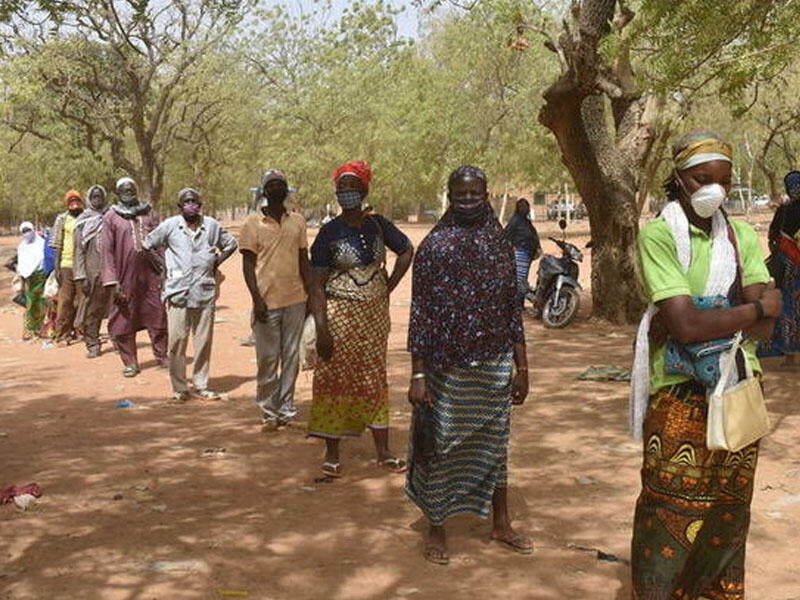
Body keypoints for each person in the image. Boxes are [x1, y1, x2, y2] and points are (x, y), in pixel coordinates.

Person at [630, 130, 782, 599]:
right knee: (670, 509)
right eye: (702, 178)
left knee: (728, 509)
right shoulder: (659, 235)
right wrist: (753, 310)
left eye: (723, 180)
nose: (713, 189)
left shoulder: (738, 235)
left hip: (737, 387)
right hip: (679, 394)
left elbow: (764, 331)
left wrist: (714, 313)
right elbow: (685, 326)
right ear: (678, 179)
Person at [405, 165, 531, 565]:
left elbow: (513, 310)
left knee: (496, 447)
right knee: (441, 447)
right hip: (446, 367)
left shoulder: (500, 244)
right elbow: (420, 314)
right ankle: (437, 527)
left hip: (493, 363)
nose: (468, 201)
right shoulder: (434, 247)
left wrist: (522, 366)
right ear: (449, 196)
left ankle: (501, 521)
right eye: (460, 195)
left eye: (475, 193)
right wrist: (419, 374)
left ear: (487, 193)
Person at [308, 160, 414, 477]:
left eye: (353, 188)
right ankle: (332, 452)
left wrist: (389, 286)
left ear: (364, 190)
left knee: (373, 376)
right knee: (333, 376)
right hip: (339, 313)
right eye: (342, 188)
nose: (347, 193)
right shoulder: (329, 232)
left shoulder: (378, 225)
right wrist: (322, 329)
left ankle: (383, 450)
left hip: (374, 318)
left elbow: (407, 251)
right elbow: (316, 285)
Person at [143, 188, 237, 401]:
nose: (191, 205)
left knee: (203, 340)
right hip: (178, 292)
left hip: (204, 291)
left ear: (200, 206)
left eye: (194, 202)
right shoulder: (170, 226)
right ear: (179, 207)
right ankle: (179, 388)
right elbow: (147, 244)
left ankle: (201, 384)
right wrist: (162, 267)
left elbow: (231, 244)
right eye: (186, 202)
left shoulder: (211, 226)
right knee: (177, 341)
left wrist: (216, 262)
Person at [239, 169, 309, 428]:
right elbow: (248, 265)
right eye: (272, 185)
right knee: (268, 358)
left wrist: (311, 296)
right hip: (266, 302)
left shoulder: (298, 221)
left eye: (281, 185)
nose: (277, 189)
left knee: (291, 357)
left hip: (295, 299)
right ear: (264, 192)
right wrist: (256, 299)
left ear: (286, 190)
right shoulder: (252, 223)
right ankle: (269, 410)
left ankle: (287, 408)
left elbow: (304, 260)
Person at [101, 177, 168, 377]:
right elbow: (107, 252)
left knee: (157, 314)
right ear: (118, 193)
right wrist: (113, 282)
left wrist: (165, 269)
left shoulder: (148, 213)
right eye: (123, 190)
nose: (128, 192)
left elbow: (161, 242)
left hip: (150, 275)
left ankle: (163, 356)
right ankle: (130, 362)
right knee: (123, 319)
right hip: (124, 277)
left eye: (131, 189)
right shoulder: (111, 217)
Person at [757, 170, 800, 368]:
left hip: (788, 263)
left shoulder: (784, 210)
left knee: (789, 304)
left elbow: (772, 235)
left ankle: (790, 357)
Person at [74, 185, 111, 358]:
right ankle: (93, 344)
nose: (97, 199)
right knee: (93, 310)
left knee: (117, 308)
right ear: (89, 198)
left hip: (112, 270)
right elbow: (78, 251)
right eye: (94, 196)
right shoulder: (82, 221)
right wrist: (81, 276)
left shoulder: (113, 216)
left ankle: (119, 340)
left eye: (100, 196)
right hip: (92, 271)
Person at [50, 189, 85, 344]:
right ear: (67, 204)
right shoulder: (62, 219)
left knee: (83, 300)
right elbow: (57, 244)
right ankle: (62, 333)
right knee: (65, 301)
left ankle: (82, 331)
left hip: (83, 265)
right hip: (66, 264)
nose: (75, 204)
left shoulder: (87, 217)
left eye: (77, 201)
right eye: (71, 202)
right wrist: (57, 267)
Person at [504, 197, 541, 299]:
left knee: (523, 279)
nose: (525, 209)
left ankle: (520, 304)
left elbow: (533, 235)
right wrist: (512, 249)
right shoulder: (515, 221)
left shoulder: (526, 222)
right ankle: (517, 305)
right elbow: (506, 236)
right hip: (520, 253)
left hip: (528, 254)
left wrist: (538, 247)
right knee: (520, 280)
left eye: (526, 206)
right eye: (523, 207)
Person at [15, 222, 47, 340]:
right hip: (28, 278)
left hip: (41, 276)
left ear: (33, 229)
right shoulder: (22, 246)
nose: (27, 233)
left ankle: (43, 328)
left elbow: (43, 259)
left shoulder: (42, 243)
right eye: (24, 231)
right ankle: (30, 329)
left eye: (28, 230)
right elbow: (21, 262)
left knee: (43, 302)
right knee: (31, 303)